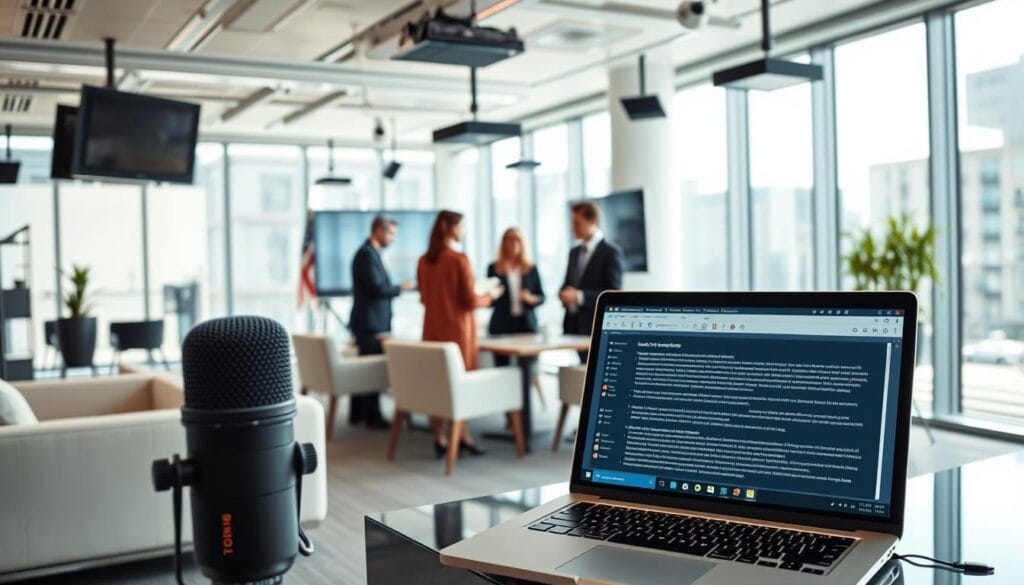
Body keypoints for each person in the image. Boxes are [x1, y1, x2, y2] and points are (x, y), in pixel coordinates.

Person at [418, 210, 495, 457]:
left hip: (431, 331)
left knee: (435, 383)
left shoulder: (424, 261)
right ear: (451, 229)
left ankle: (440, 437)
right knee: (462, 384)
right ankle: (462, 435)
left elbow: (424, 298)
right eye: (461, 227)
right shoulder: (459, 260)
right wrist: (490, 296)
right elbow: (470, 301)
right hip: (458, 332)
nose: (463, 231)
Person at [349, 214, 413, 429]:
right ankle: (372, 416)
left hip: (371, 322)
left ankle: (358, 414)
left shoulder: (370, 253)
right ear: (379, 231)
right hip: (370, 323)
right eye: (391, 233)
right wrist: (400, 288)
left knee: (365, 368)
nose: (393, 238)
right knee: (372, 371)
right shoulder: (366, 255)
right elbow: (376, 288)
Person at [559, 201, 625, 359]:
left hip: (595, 326)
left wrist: (580, 296)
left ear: (592, 221)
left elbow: (614, 293)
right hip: (573, 326)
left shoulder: (611, 252)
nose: (573, 228)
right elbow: (568, 283)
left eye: (577, 223)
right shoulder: (574, 252)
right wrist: (563, 294)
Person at [486, 227, 545, 351]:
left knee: (527, 360)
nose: (513, 243)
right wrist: (493, 294)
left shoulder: (530, 268)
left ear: (522, 243)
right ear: (504, 243)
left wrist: (530, 298)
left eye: (517, 240)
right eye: (509, 240)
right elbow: (489, 300)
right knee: (502, 359)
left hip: (526, 324)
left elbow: (542, 297)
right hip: (501, 323)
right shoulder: (494, 268)